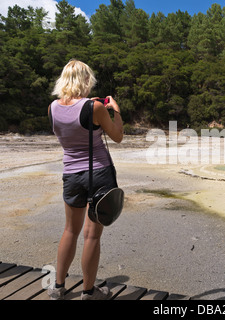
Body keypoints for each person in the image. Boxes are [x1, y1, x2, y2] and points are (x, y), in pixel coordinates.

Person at [47, 59, 124, 300]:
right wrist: (116, 110)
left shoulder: (52, 108)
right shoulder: (94, 108)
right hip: (98, 174)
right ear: (86, 80)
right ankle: (89, 292)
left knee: (70, 230)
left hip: (70, 174)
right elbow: (118, 136)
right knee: (92, 235)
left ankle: (58, 287)